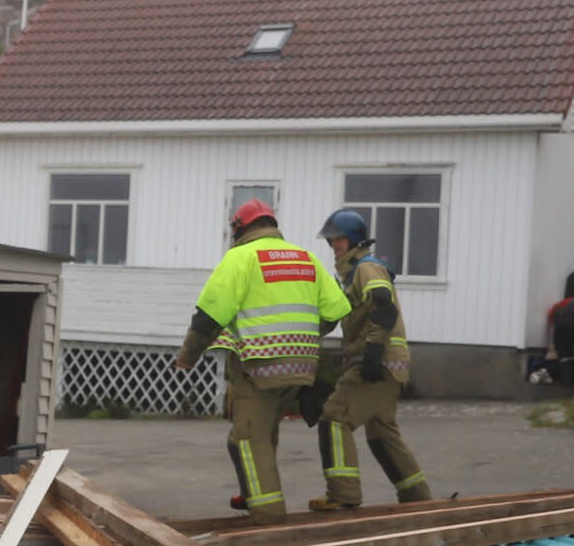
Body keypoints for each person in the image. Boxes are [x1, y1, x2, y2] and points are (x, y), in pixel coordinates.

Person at [173, 200, 351, 523]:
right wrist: (303, 336)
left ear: (240, 229)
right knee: (260, 432)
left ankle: (269, 517)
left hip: (258, 367)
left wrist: (188, 357)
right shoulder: (305, 258)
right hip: (301, 368)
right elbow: (336, 311)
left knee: (249, 440)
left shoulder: (240, 258)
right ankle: (250, 494)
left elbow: (208, 316)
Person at [311, 209, 432, 509]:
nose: (333, 246)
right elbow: (333, 317)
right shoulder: (352, 273)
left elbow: (384, 307)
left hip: (378, 361)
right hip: (388, 364)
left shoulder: (366, 268)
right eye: (330, 241)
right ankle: (418, 500)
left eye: (338, 240)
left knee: (334, 418)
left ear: (353, 240)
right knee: (381, 434)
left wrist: (374, 351)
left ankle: (343, 495)